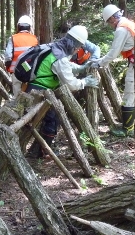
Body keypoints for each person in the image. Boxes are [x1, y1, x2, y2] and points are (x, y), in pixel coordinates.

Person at [26, 25, 99, 158]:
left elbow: (65, 64)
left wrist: (81, 68)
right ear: (74, 44)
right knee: (52, 120)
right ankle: (43, 152)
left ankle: (40, 149)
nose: (78, 50)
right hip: (40, 91)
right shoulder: (59, 56)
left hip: (37, 88)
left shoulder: (56, 48)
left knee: (46, 119)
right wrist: (85, 82)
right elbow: (71, 83)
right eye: (78, 47)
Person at [92, 4, 135, 137]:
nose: (110, 25)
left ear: (112, 19)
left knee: (129, 94)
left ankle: (127, 129)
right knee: (134, 95)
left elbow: (113, 53)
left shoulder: (121, 30)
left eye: (109, 22)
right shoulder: (128, 23)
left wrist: (99, 63)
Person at [4, 15, 39, 96]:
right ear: (29, 27)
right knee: (28, 95)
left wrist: (8, 67)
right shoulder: (34, 39)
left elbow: (8, 56)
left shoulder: (13, 38)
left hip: (16, 70)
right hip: (29, 71)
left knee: (17, 95)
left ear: (18, 26)